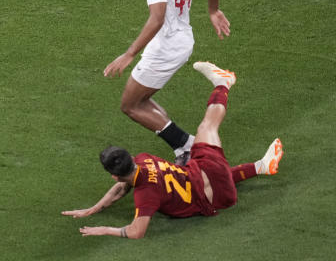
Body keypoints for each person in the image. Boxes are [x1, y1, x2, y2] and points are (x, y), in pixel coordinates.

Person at [61, 61, 284, 239]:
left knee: (197, 168)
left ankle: (261, 166)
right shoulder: (143, 158)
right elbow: (122, 187)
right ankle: (223, 85)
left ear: (113, 174)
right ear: (130, 157)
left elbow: (136, 231)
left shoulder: (145, 194)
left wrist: (105, 229)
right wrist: (94, 208)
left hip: (217, 197)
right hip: (210, 170)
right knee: (207, 126)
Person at [104, 0, 231, 164]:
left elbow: (157, 18)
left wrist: (129, 54)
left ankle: (187, 146)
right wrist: (213, 11)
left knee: (130, 104)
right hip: (182, 39)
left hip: (166, 47)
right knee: (141, 98)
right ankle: (183, 147)